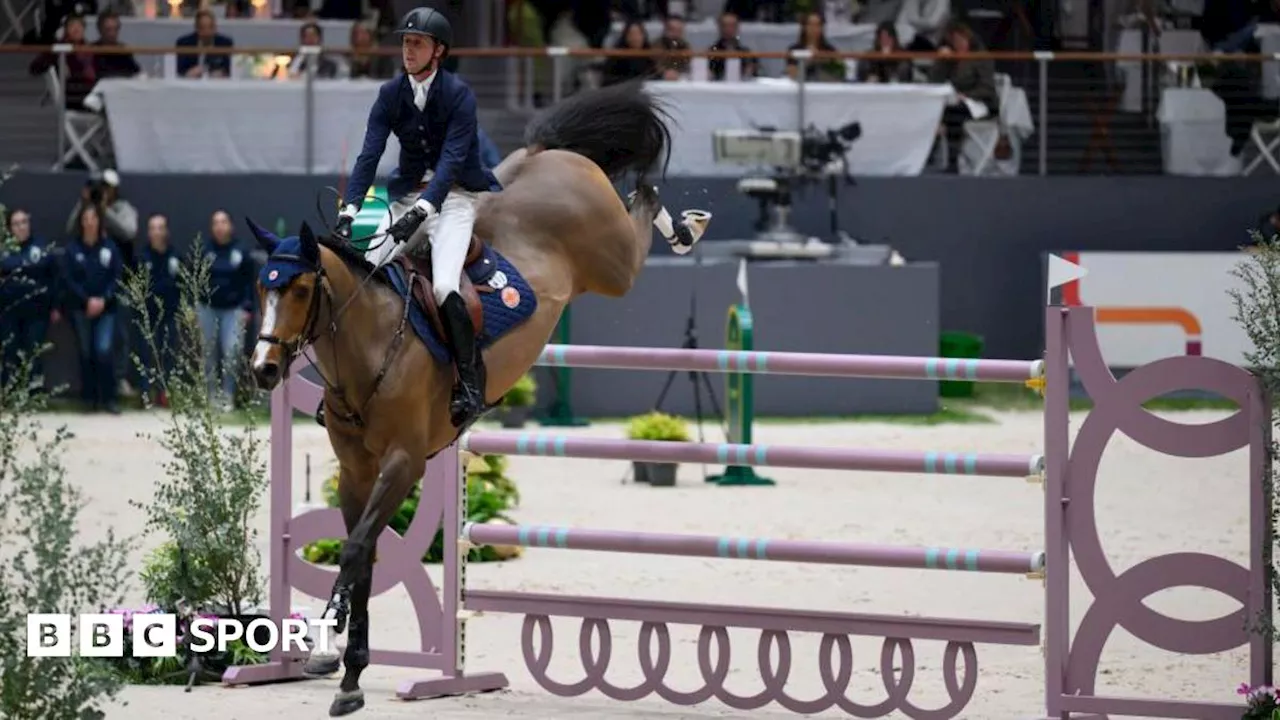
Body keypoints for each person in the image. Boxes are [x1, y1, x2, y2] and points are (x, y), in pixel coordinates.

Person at [334, 6, 502, 428]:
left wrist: (425, 211)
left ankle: (469, 384)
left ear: (438, 51)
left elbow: (451, 160)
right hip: (405, 196)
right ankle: (344, 384)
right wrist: (350, 209)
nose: (408, 50)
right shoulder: (390, 94)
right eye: (406, 42)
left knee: (445, 285)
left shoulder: (459, 95)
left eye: (417, 43)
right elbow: (369, 154)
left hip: (455, 200)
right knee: (365, 276)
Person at [61, 203, 123, 413]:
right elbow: (68, 279)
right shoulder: (73, 249)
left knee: (103, 350)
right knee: (86, 352)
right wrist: (86, 299)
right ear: (81, 222)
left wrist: (103, 299)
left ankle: (110, 398)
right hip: (81, 308)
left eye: (93, 218)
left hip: (107, 308)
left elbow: (117, 277)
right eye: (85, 219)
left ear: (99, 221)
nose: (89, 223)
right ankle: (89, 399)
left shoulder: (109, 247)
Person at [0, 208, 57, 390]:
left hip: (37, 312)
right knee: (10, 353)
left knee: (33, 353)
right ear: (10, 228)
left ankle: (34, 396)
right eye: (16, 224)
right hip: (9, 312)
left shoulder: (40, 246)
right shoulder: (4, 249)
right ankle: (9, 394)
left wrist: (55, 306)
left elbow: (53, 276)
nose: (21, 227)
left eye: (24, 222)